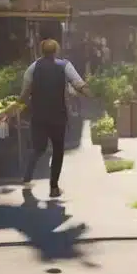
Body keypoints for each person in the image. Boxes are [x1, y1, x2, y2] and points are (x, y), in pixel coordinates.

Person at [21, 39, 90, 197]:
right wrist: (91, 94)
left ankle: (27, 174)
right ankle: (53, 188)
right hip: (58, 115)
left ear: (41, 50)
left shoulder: (33, 68)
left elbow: (25, 92)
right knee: (58, 150)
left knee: (38, 148)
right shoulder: (65, 65)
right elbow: (79, 84)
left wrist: (18, 107)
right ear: (56, 51)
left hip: (38, 115)